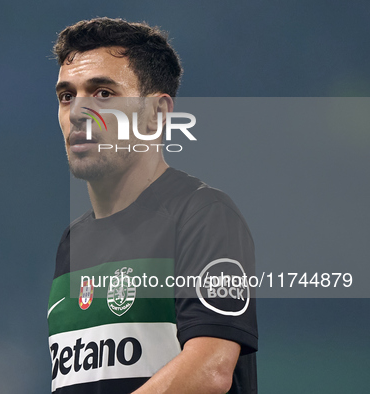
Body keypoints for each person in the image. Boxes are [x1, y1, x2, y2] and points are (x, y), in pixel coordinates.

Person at [48, 17, 258, 394]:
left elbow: (210, 369)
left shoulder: (203, 214)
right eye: (67, 96)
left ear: (157, 113)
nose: (78, 112)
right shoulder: (72, 241)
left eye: (103, 94)